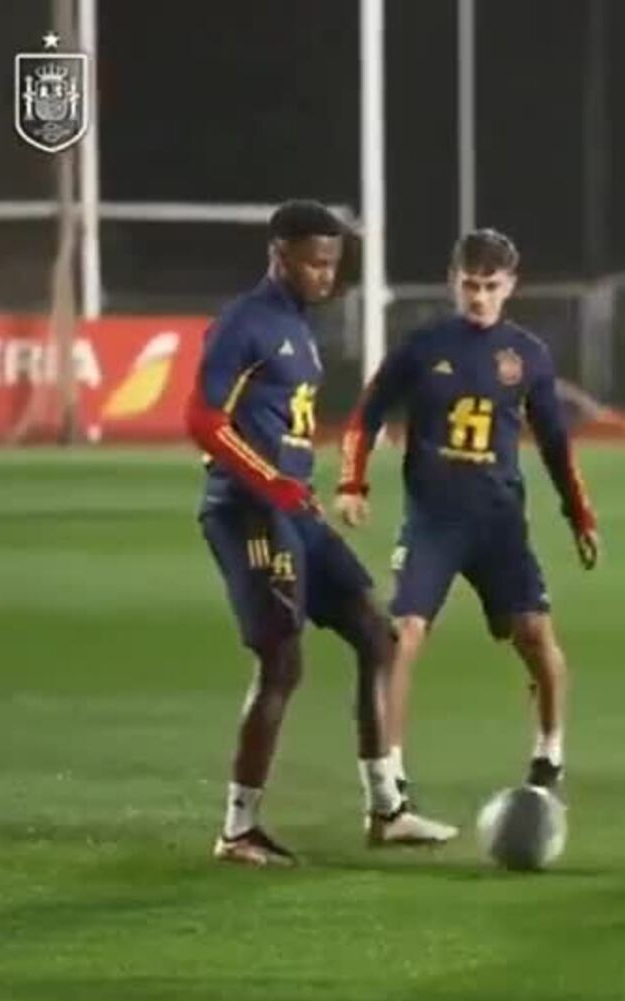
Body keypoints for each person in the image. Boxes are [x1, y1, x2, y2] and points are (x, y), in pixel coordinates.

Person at [188, 199, 452, 867]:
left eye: (332, 263)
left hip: (292, 508)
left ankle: (386, 808)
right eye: (313, 261)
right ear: (278, 256)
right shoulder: (244, 324)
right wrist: (268, 480)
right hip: (247, 509)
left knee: (376, 633)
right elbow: (202, 418)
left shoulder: (301, 328)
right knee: (283, 661)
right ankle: (238, 829)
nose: (325, 275)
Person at [336, 229, 601, 815]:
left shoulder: (526, 354)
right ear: (452, 282)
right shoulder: (423, 345)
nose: (479, 296)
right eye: (469, 284)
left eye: (490, 285)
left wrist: (578, 512)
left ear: (511, 286)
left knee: (537, 637)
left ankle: (549, 754)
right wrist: (352, 482)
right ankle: (392, 774)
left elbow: (556, 441)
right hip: (433, 522)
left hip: (499, 524)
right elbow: (366, 415)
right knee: (400, 638)